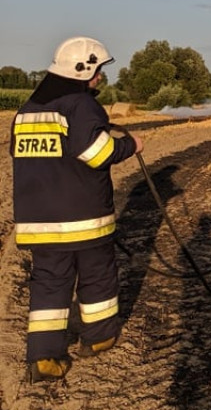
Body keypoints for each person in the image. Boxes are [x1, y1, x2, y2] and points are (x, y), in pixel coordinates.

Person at [10, 37, 143, 383]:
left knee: (49, 287)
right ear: (82, 70)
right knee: (98, 277)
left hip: (39, 221)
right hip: (83, 219)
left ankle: (44, 358)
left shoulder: (27, 109)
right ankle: (99, 337)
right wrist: (130, 144)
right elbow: (96, 154)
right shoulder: (80, 105)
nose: (100, 78)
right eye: (98, 70)